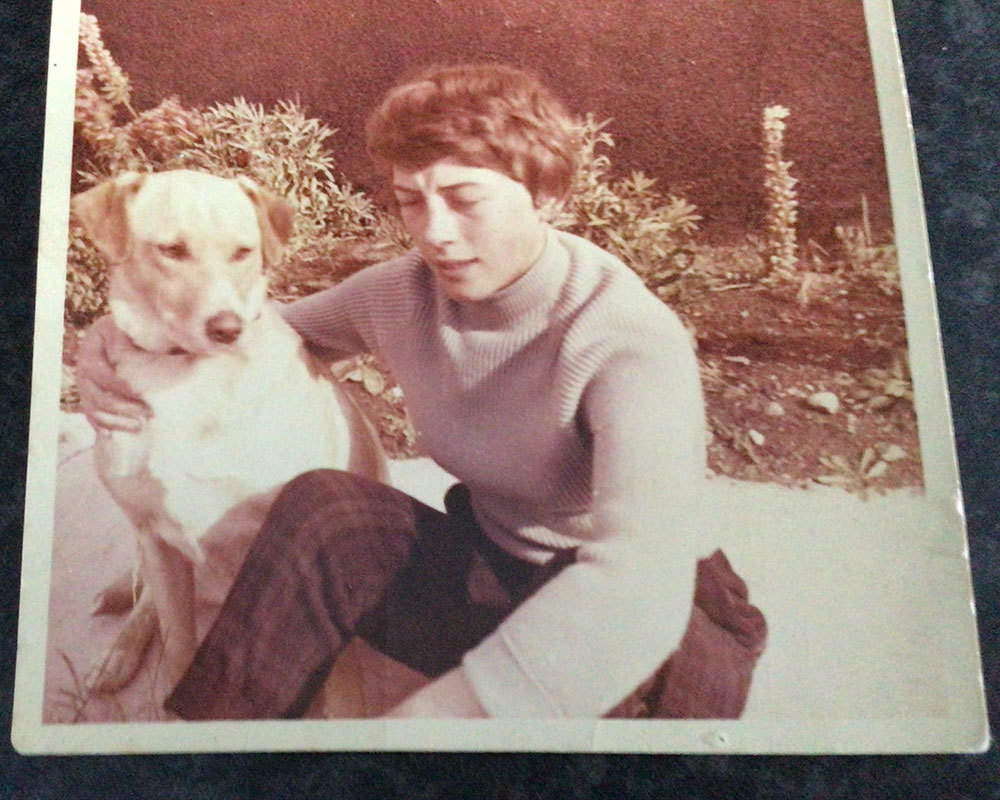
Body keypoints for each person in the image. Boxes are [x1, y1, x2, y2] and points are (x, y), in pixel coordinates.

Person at [76, 63, 763, 719]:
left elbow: (636, 584)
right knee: (323, 507)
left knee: (598, 721)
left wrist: (426, 722)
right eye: (411, 201)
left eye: (465, 201)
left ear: (547, 196)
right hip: (495, 571)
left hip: (659, 613)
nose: (435, 233)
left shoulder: (628, 337)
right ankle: (214, 750)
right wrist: (108, 344)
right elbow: (254, 327)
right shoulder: (402, 292)